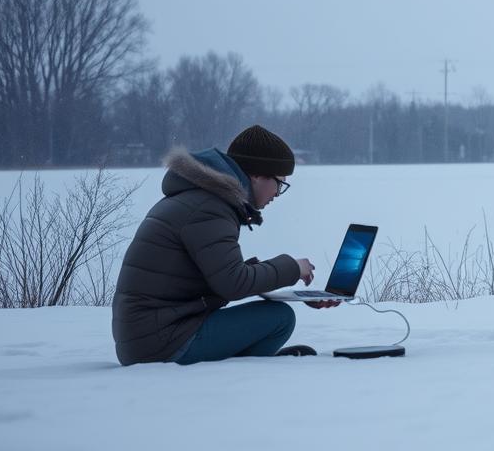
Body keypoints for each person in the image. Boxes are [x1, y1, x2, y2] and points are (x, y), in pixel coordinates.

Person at [111, 125, 336, 365]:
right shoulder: (210, 207)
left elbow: (220, 276)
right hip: (161, 343)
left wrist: (291, 293)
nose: (277, 194)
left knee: (277, 316)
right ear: (258, 175)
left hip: (149, 336)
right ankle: (247, 366)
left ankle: (248, 362)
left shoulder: (201, 198)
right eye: (279, 183)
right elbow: (233, 283)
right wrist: (291, 267)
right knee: (279, 319)